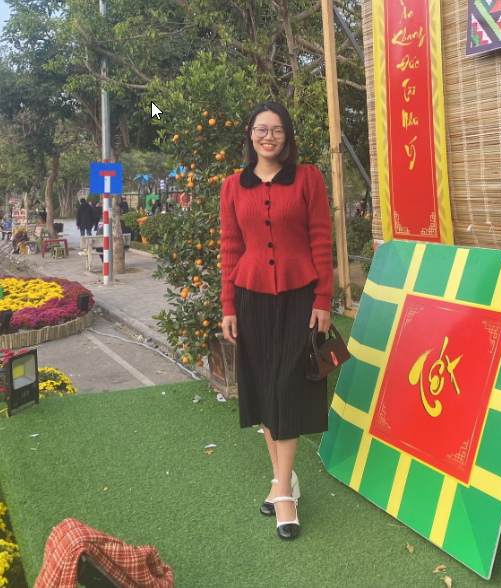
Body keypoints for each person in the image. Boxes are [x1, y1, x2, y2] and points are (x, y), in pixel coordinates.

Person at [220, 102, 333, 541]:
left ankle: (283, 490)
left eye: (277, 130)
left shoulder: (307, 178)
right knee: (266, 389)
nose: (269, 137)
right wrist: (228, 306)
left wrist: (323, 298)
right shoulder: (233, 186)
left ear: (287, 136)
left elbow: (320, 238)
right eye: (261, 129)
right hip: (251, 298)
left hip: (299, 296)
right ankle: (283, 480)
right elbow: (230, 247)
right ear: (250, 134)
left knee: (287, 386)